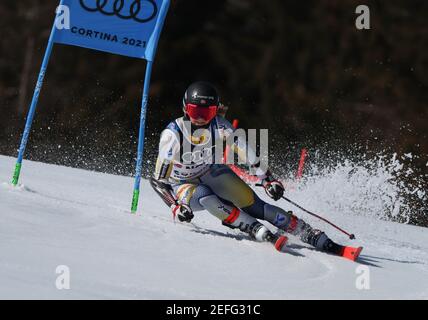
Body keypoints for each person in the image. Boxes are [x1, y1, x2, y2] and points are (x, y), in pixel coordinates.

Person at [150, 81, 359, 258]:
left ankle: (310, 233)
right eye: (196, 111)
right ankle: (252, 228)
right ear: (186, 108)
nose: (202, 118)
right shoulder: (173, 135)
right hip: (182, 184)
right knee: (206, 196)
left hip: (209, 171)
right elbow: (159, 181)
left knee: (252, 203)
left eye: (208, 112)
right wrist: (175, 206)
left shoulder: (220, 126)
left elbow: (245, 151)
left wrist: (268, 179)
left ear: (215, 111)